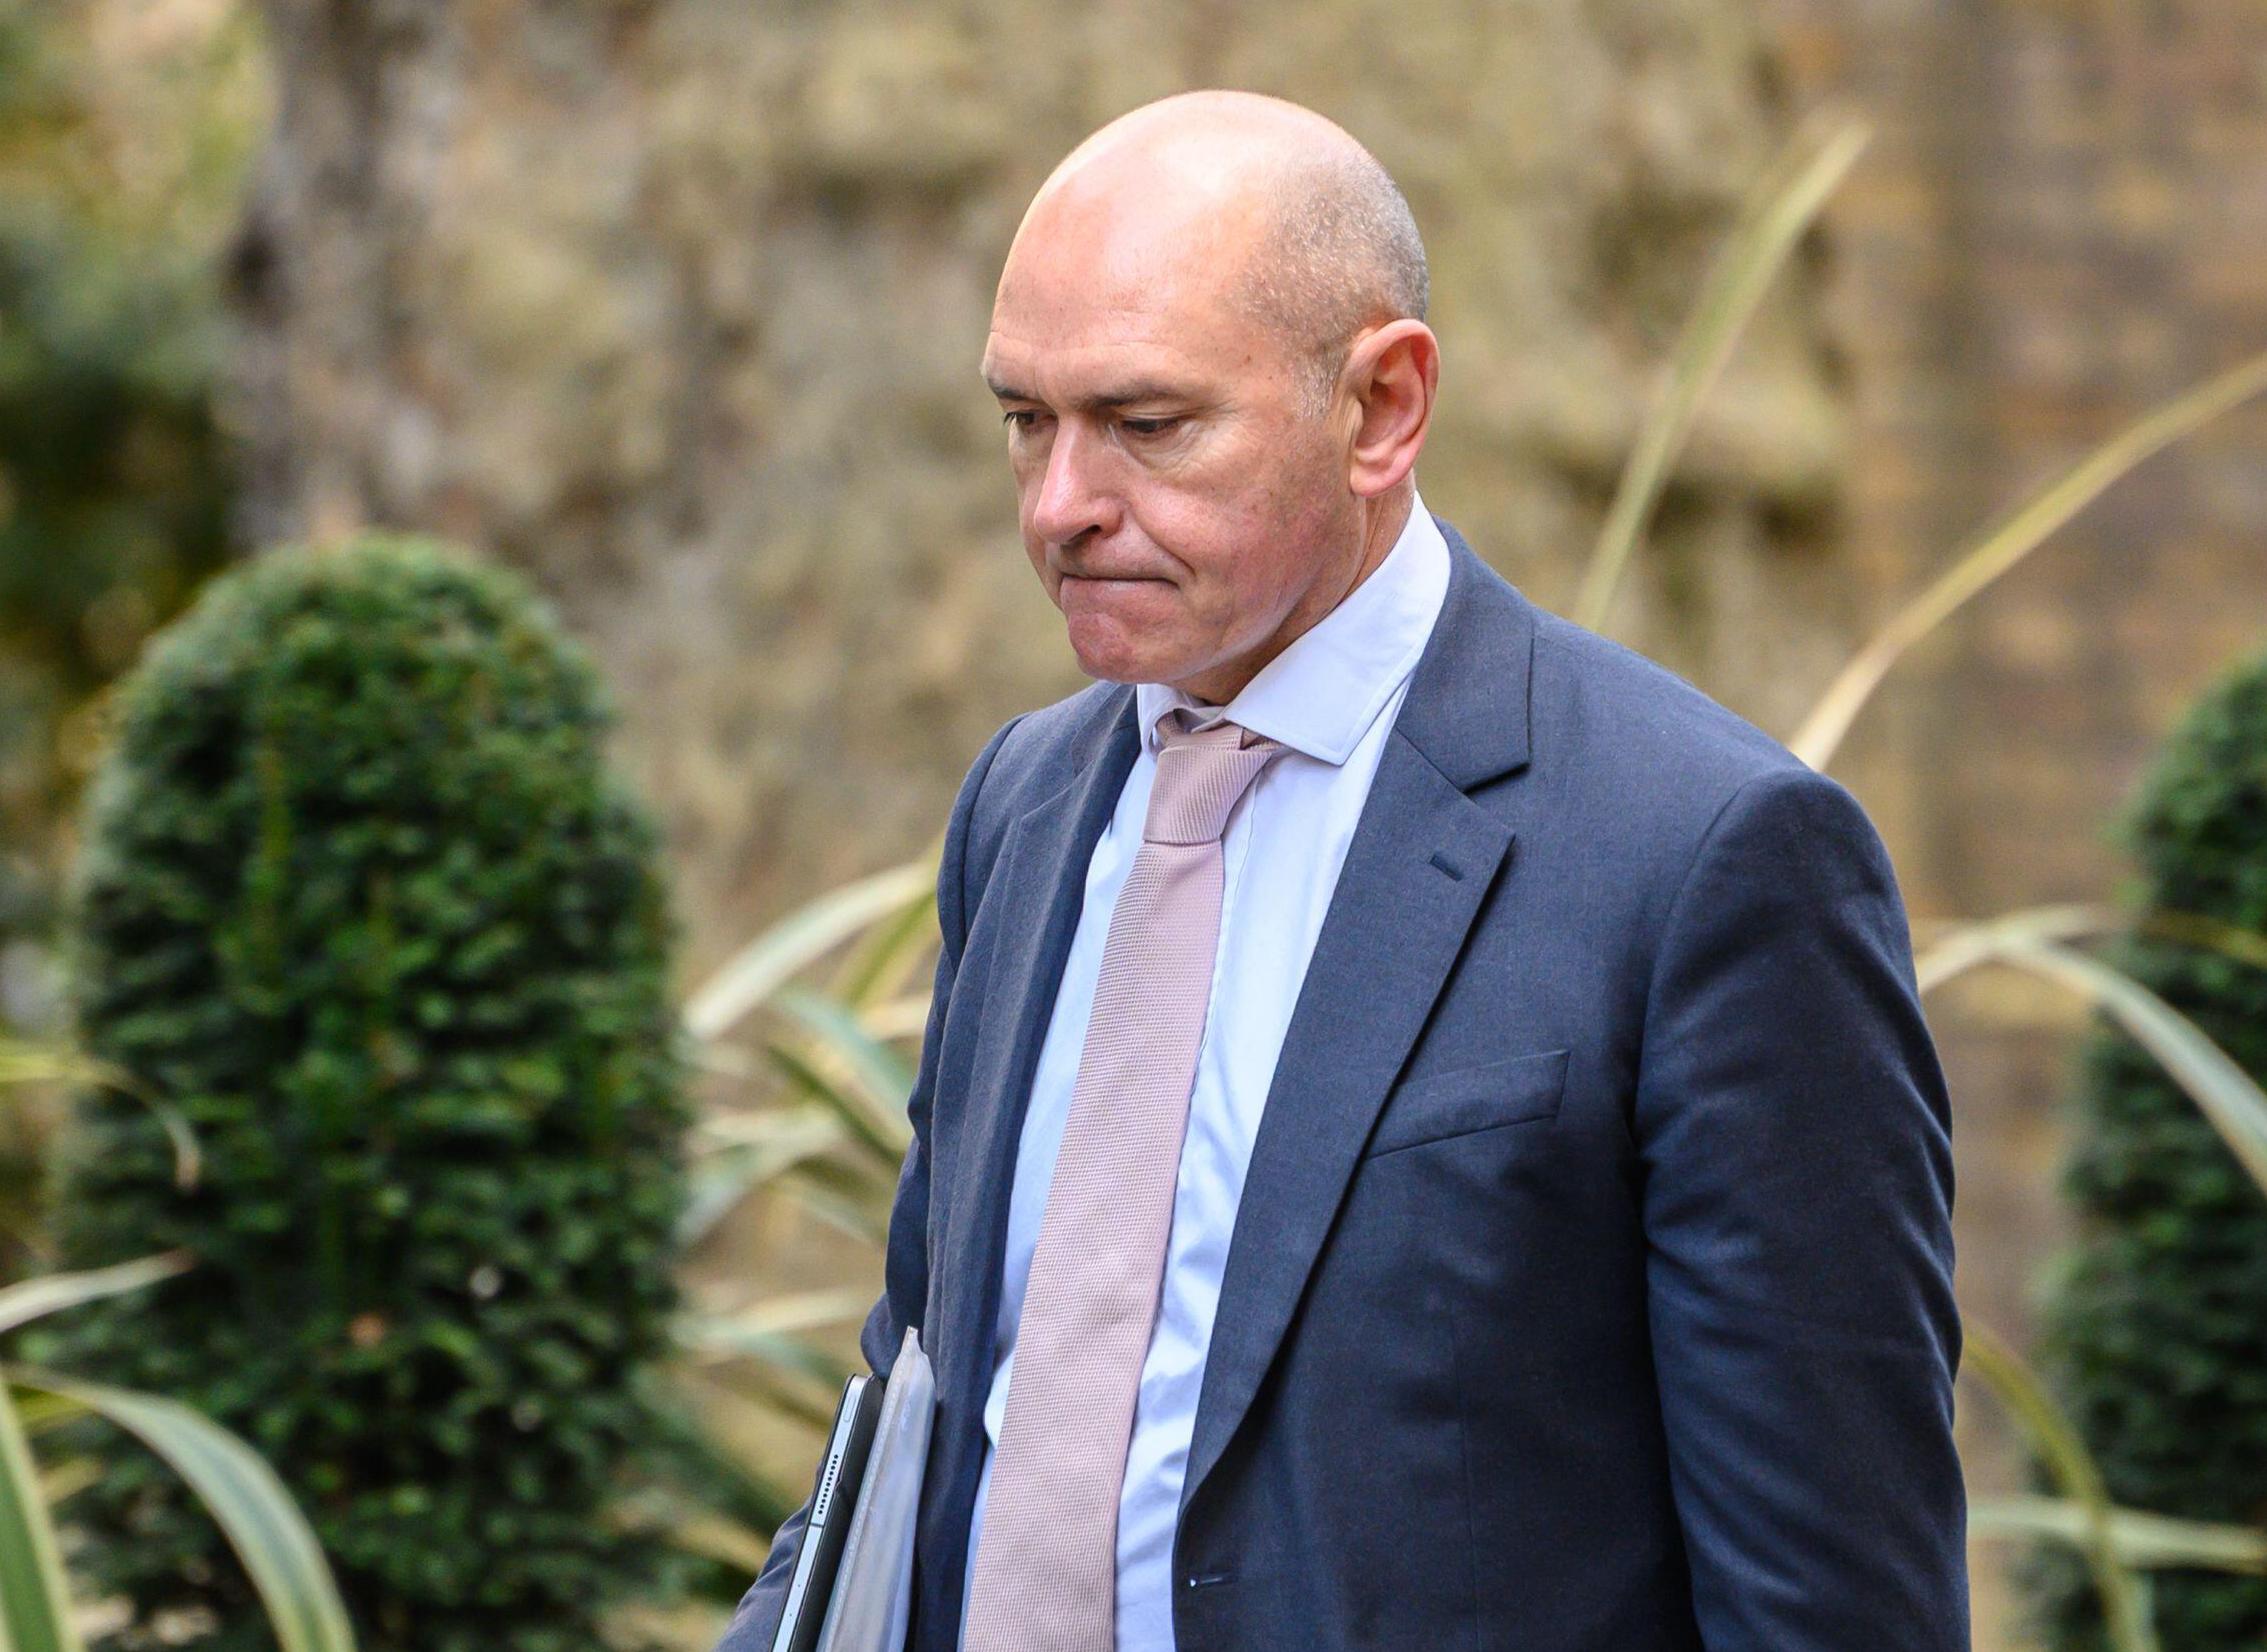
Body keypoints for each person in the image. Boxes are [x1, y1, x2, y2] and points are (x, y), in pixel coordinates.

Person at [718, 89, 1968, 1652]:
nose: (1059, 508)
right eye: (1026, 422)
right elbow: (921, 1415)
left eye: (1148, 425)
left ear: (1382, 406)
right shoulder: (1025, 810)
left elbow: (1830, 1605)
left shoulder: (1706, 862)